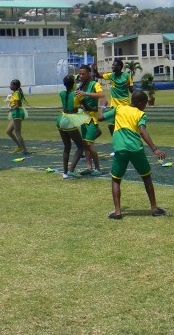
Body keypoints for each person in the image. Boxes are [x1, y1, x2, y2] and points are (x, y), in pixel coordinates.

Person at [99, 90, 166, 219]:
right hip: (136, 149)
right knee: (146, 177)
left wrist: (102, 106)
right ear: (140, 103)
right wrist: (154, 149)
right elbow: (142, 131)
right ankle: (154, 208)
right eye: (145, 104)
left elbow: (100, 118)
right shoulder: (140, 114)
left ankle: (117, 212)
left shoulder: (119, 108)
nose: (145, 106)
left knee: (116, 179)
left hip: (120, 149)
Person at [74, 64, 105, 175]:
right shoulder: (80, 86)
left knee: (89, 144)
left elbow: (101, 95)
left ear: (89, 73)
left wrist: (86, 93)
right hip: (83, 117)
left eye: (83, 74)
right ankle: (89, 167)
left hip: (92, 118)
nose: (81, 76)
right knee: (86, 144)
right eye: (80, 74)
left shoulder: (94, 84)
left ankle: (97, 168)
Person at [56, 74, 87, 178]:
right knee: (81, 146)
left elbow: (70, 102)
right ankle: (71, 170)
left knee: (67, 146)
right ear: (73, 83)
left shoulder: (61, 93)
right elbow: (86, 106)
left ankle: (65, 172)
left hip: (61, 119)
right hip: (69, 120)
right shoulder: (77, 94)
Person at [5, 79, 30, 155]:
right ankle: (19, 146)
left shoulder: (16, 93)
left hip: (17, 113)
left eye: (11, 85)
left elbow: (17, 105)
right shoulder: (16, 93)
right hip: (16, 113)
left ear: (15, 86)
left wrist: (11, 109)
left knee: (17, 133)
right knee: (8, 131)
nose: (10, 86)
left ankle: (25, 150)